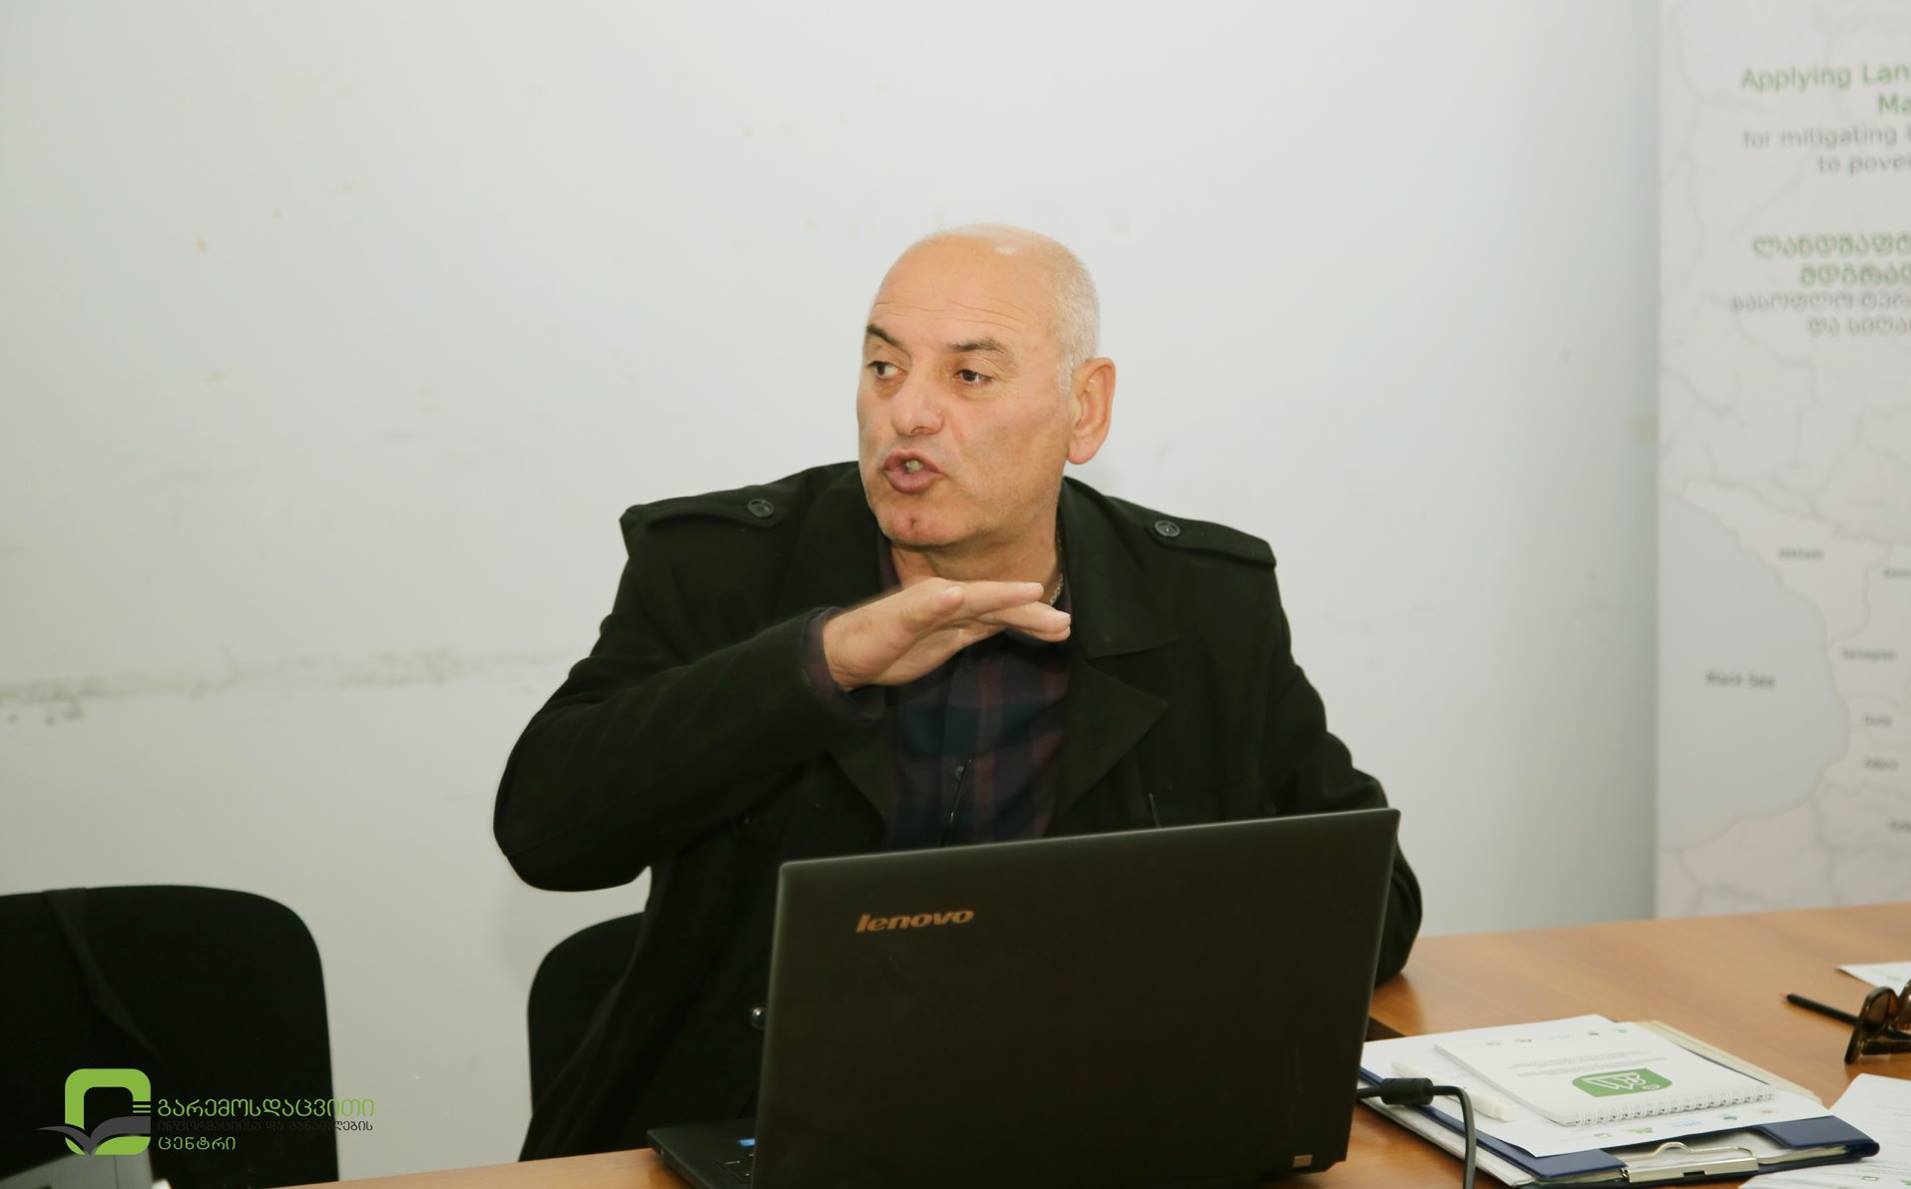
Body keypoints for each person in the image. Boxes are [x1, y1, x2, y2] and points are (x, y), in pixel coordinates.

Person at [494, 222, 1423, 1159]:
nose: (908, 414)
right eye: (884, 368)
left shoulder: (1200, 602)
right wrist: (822, 663)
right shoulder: (721, 571)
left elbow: (1370, 896)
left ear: (1085, 409)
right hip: (763, 1128)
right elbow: (547, 830)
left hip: (1076, 1126)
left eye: (969, 375)